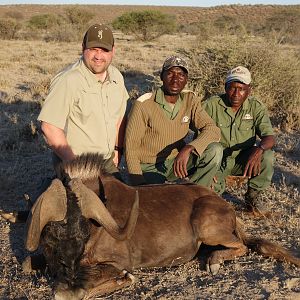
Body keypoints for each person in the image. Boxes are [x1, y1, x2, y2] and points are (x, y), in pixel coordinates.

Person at [38, 23, 128, 175]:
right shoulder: (68, 80)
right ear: (82, 48)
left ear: (113, 51)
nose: (98, 56)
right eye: (93, 49)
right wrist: (76, 167)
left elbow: (119, 117)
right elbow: (49, 127)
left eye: (104, 50)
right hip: (77, 163)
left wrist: (117, 150)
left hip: (107, 161)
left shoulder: (117, 77)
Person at [125, 55, 222, 187]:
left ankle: (196, 195)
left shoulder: (190, 100)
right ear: (161, 77)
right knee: (157, 202)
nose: (175, 80)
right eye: (170, 74)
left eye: (181, 75)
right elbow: (131, 146)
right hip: (149, 166)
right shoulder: (144, 104)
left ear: (186, 79)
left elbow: (212, 129)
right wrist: (138, 183)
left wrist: (190, 147)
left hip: (176, 162)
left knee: (214, 150)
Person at [202, 66, 275, 213]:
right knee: (211, 201)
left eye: (241, 89)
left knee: (267, 156)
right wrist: (208, 166)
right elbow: (199, 134)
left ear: (249, 89)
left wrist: (259, 150)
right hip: (219, 159)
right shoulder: (211, 104)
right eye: (232, 88)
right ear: (225, 87)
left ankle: (253, 198)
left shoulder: (256, 107)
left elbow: (269, 137)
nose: (236, 94)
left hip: (244, 159)